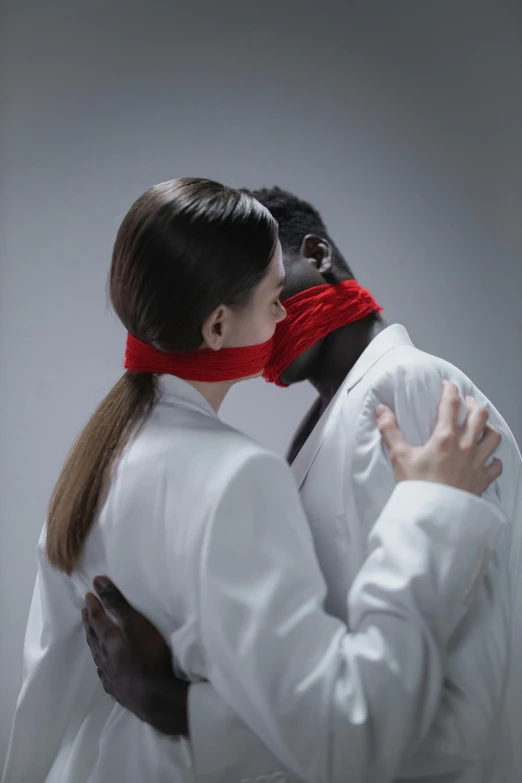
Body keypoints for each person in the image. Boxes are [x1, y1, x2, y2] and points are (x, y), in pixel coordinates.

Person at [2, 178, 505, 783]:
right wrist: (183, 710)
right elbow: (328, 711)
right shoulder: (250, 460)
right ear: (216, 324)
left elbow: (459, 713)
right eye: (263, 294)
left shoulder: (410, 387)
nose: (278, 312)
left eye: (277, 285)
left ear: (316, 256)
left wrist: (179, 708)